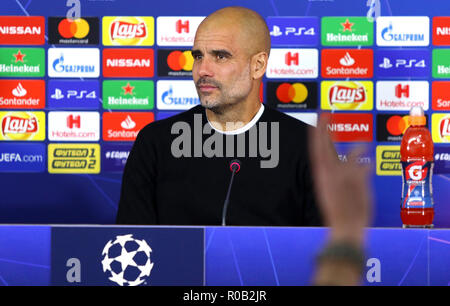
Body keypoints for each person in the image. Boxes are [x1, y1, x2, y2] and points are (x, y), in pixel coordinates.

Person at [116, 6, 322, 226]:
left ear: (258, 65)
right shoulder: (155, 142)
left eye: (220, 56)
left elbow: (326, 249)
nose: (202, 70)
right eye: (198, 56)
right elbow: (132, 242)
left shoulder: (308, 146)